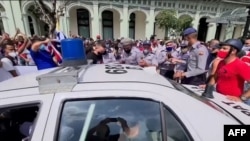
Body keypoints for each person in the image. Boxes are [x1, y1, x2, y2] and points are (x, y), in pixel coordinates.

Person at [204, 39, 250, 105]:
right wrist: (208, 87)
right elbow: (215, 77)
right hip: (219, 98)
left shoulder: (240, 65)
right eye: (221, 48)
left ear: (233, 51)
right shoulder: (221, 63)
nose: (220, 50)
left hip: (232, 103)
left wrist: (241, 98)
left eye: (224, 48)